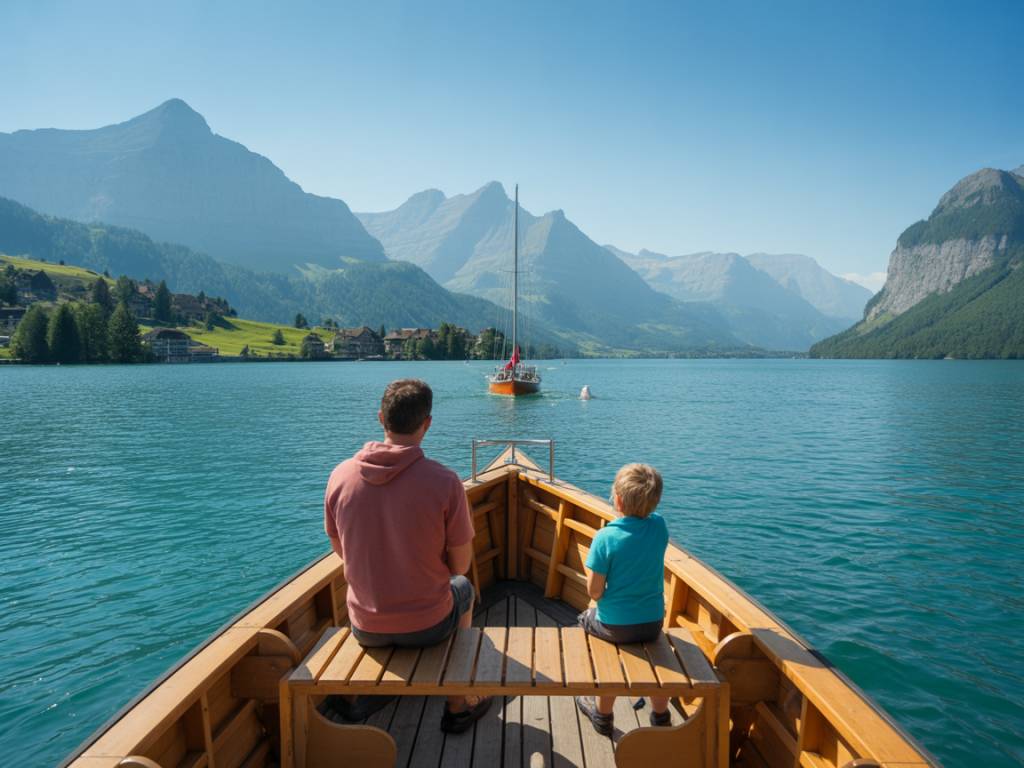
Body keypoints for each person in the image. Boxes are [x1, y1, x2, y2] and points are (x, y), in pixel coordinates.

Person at [323, 378, 491, 733]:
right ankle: (457, 704)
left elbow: (341, 550)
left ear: (380, 417)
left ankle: (358, 696)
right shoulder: (445, 483)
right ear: (427, 423)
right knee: (465, 590)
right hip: (428, 627)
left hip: (365, 627)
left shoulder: (340, 477)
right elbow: (459, 567)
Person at [575, 463, 671, 734]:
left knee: (586, 621)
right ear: (655, 500)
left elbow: (594, 592)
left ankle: (602, 715)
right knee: (656, 653)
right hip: (653, 623)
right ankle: (661, 715)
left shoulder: (606, 537)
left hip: (615, 628)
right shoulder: (659, 526)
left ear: (617, 499)